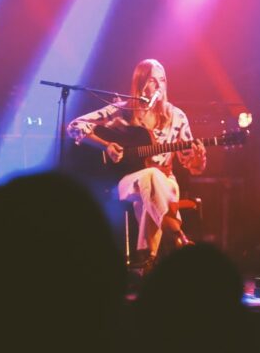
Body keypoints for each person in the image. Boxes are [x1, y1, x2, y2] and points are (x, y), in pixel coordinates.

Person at [67, 58, 206, 267]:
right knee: (150, 177)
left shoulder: (177, 116)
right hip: (126, 182)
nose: (160, 86)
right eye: (153, 80)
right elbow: (75, 126)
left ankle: (148, 261)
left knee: (151, 186)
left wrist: (198, 159)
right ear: (141, 83)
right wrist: (106, 145)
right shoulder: (122, 111)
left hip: (166, 182)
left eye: (163, 80)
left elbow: (194, 168)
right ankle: (177, 237)